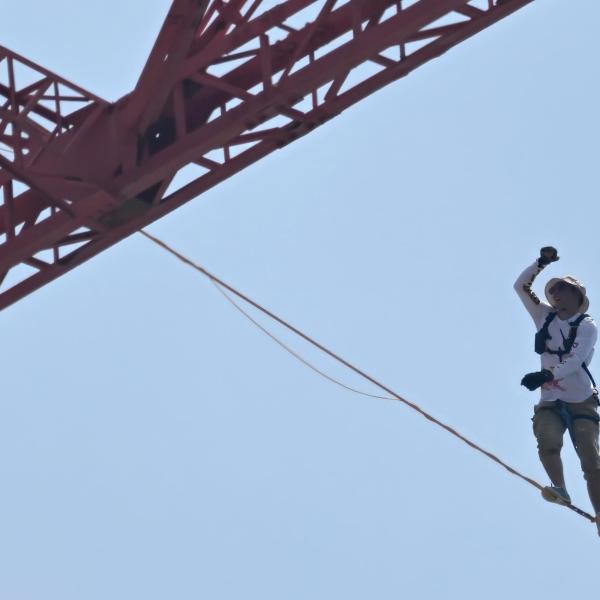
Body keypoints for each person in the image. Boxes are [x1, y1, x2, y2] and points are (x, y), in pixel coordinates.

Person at [514, 246, 600, 535]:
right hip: (551, 398)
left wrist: (545, 374)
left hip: (580, 399)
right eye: (555, 291)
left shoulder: (587, 327)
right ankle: (560, 489)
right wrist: (541, 263)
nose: (557, 295)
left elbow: (575, 359)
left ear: (578, 296)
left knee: (590, 458)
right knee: (547, 440)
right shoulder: (543, 316)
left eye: (564, 290)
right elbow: (521, 286)